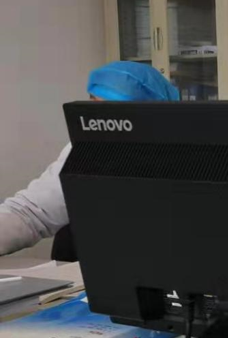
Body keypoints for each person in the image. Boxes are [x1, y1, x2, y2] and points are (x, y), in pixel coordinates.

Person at [0, 61, 179, 257]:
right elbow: (30, 213)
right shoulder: (83, 149)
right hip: (86, 268)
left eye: (113, 110)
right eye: (94, 105)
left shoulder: (179, 158)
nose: (100, 121)